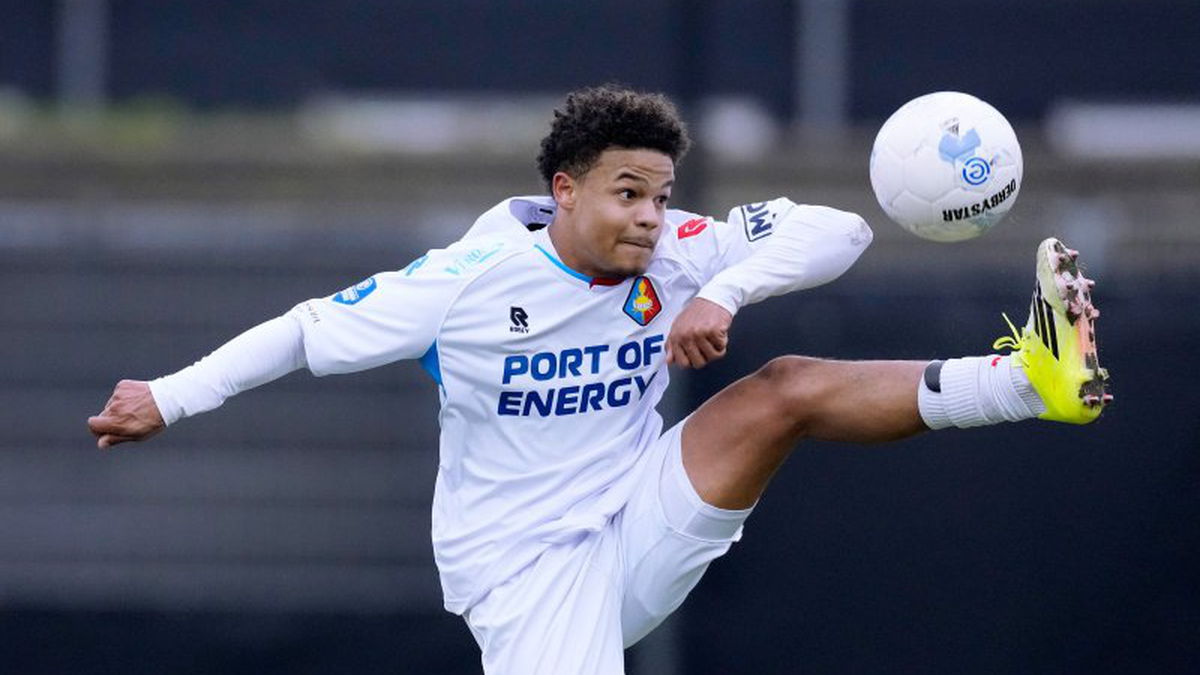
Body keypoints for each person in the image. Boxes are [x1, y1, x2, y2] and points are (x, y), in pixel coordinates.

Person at [88, 85, 1111, 674]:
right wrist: (168, 397)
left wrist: (726, 292)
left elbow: (838, 230)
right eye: (629, 194)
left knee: (784, 389)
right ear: (565, 189)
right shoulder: (464, 280)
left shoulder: (678, 251)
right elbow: (303, 333)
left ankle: (1030, 381)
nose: (650, 218)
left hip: (637, 503)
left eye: (661, 195)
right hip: (523, 568)